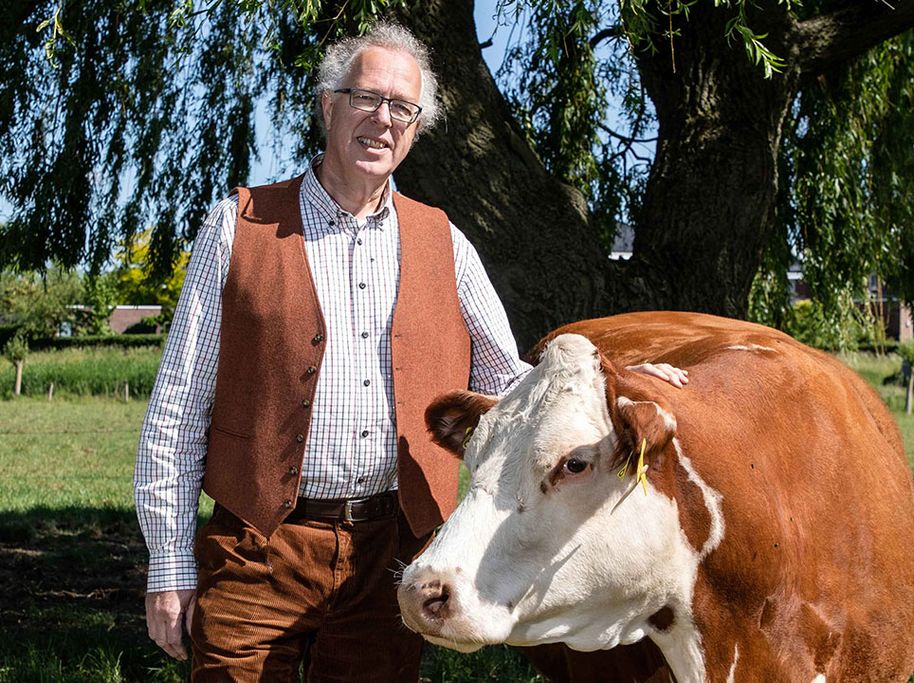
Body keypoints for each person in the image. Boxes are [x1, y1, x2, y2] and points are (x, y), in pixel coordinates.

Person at [135, 21, 687, 681]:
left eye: (402, 107)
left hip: (390, 549)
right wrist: (169, 568)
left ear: (416, 129)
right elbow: (178, 408)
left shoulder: (444, 239)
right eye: (366, 97)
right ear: (327, 104)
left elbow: (511, 387)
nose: (383, 119)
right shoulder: (239, 224)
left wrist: (621, 397)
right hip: (256, 548)